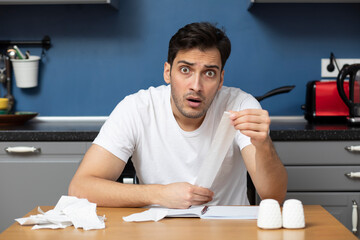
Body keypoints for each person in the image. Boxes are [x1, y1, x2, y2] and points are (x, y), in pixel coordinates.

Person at [68, 22, 287, 208]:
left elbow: (273, 196)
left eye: (209, 73)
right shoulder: (137, 108)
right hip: (160, 229)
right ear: (167, 72)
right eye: (185, 70)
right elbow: (80, 188)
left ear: (221, 80)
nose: (196, 85)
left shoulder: (240, 105)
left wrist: (264, 144)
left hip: (228, 229)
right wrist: (159, 194)